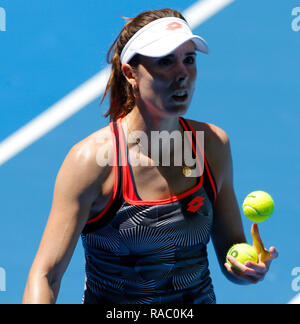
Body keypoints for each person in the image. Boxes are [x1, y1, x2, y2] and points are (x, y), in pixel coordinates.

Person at [23, 8, 278, 304]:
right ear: (130, 73)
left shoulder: (212, 146)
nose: (182, 73)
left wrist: (246, 267)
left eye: (189, 59)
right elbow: (46, 274)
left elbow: (230, 250)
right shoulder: (93, 162)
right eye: (165, 61)